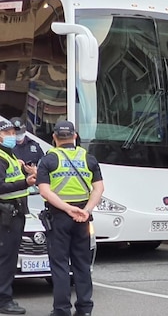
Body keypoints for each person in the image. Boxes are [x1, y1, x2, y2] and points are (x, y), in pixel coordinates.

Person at [37, 120, 104, 316]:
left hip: (59, 217)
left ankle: (62, 310)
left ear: (54, 138)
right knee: (82, 264)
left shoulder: (49, 159)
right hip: (83, 218)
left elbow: (44, 191)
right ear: (75, 136)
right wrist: (87, 210)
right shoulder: (88, 158)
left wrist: (67, 209)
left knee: (59, 265)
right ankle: (84, 309)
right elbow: (99, 188)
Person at [0, 119, 36, 315]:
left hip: (14, 213)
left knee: (8, 257)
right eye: (9, 132)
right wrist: (26, 182)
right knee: (6, 258)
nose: (13, 136)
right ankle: (4, 300)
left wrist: (24, 170)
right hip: (6, 214)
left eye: (14, 132)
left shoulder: (9, 155)